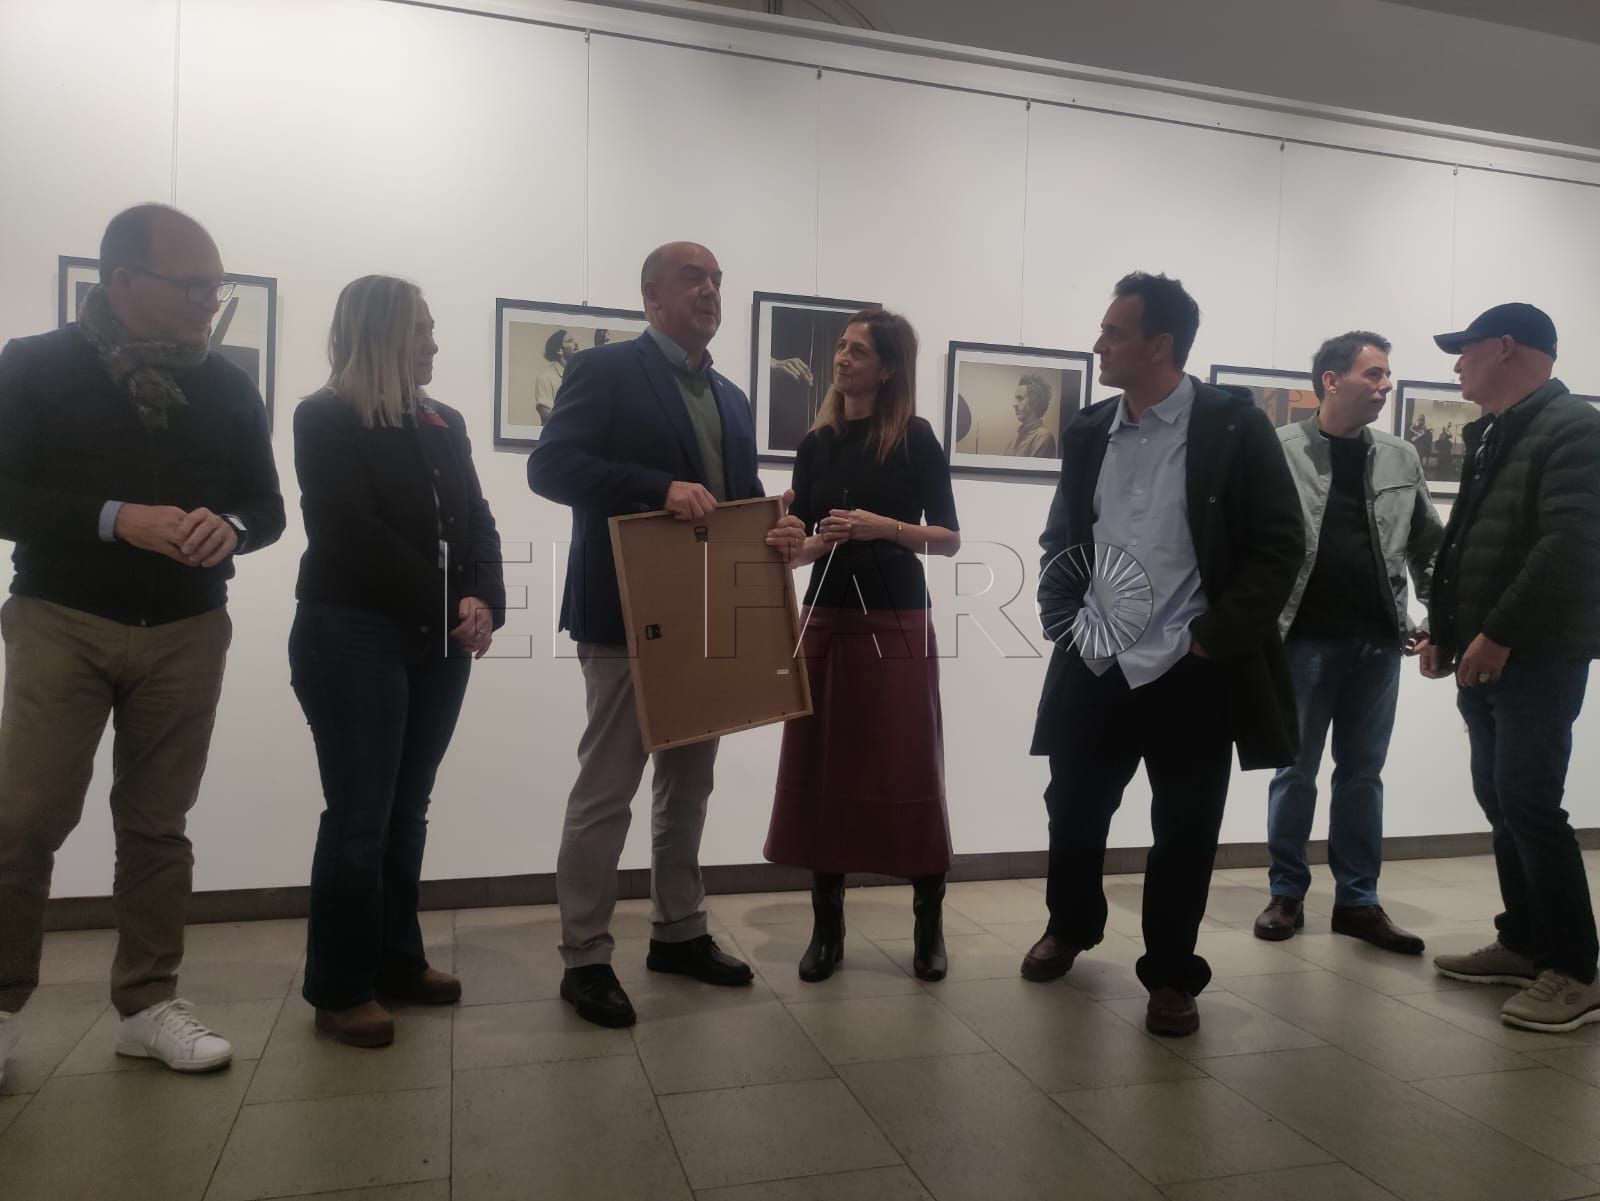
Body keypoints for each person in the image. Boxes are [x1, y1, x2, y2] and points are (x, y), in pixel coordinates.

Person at [0, 204, 283, 1081]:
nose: (207, 303)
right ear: (121, 282)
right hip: (62, 620)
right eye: (191, 286)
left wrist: (231, 528)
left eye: (215, 287)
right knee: (23, 821)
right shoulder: (34, 366)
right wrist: (117, 518)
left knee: (159, 824)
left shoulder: (227, 386)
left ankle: (148, 1003)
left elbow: (266, 508)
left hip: (189, 628)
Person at [527, 241, 805, 1028]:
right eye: (693, 279)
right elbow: (550, 467)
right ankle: (584, 955)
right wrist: (656, 488)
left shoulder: (733, 397)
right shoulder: (604, 370)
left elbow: (736, 502)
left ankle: (678, 932)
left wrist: (777, 529)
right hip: (622, 613)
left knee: (689, 787)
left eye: (717, 280)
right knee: (606, 790)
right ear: (652, 297)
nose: (710, 290)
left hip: (706, 619)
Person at [1023, 272, 1303, 1037]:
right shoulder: (1090, 429)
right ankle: (1070, 925)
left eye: (1114, 332)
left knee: (1185, 827)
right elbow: (1062, 534)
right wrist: (1061, 615)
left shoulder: (1234, 426)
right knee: (1072, 808)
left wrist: (1216, 635)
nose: (1099, 344)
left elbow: (1280, 544)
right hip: (1096, 657)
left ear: (1160, 345)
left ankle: (1173, 973)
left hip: (1190, 665)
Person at [289, 275, 505, 1048]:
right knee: (360, 815)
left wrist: (487, 598)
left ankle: (396, 961)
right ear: (379, 333)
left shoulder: (444, 422)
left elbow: (477, 519)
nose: (433, 343)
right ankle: (340, 987)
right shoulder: (324, 417)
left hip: (434, 639)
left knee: (407, 808)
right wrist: (453, 603)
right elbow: (352, 535)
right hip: (351, 635)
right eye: (419, 328)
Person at [765, 309, 961, 983]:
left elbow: (949, 538)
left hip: (897, 617)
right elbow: (810, 543)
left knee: (908, 764)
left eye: (858, 350)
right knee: (826, 767)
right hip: (826, 615)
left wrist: (884, 527)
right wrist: (789, 542)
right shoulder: (816, 443)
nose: (842, 358)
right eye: (842, 347)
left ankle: (929, 923)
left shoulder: (916, 438)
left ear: (888, 368)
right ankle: (827, 929)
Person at [1421, 303, 1600, 1033]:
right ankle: (1525, 941)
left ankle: (1577, 972)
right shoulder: (1495, 431)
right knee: (1501, 799)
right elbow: (1465, 541)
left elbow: (1570, 545)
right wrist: (1445, 630)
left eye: (1464, 350)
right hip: (1486, 654)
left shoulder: (1574, 428)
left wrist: (1496, 633)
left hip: (1537, 654)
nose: (1456, 364)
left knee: (1530, 803)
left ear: (1504, 347)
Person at [1254, 331, 1442, 952]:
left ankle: (1358, 901)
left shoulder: (1400, 457)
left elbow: (1428, 546)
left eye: (1387, 374)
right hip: (1300, 641)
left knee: (1363, 776)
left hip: (1378, 644)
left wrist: (1438, 618)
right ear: (1332, 381)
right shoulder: (1279, 449)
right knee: (1294, 772)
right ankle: (1286, 893)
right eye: (1375, 373)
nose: (1386, 385)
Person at [1006, 374, 1058, 457]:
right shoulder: (1013, 442)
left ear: (1035, 401)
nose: (1014, 404)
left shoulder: (1043, 437)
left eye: (1020, 398)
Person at [535, 328, 579, 423]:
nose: (576, 343)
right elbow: (546, 415)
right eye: (570, 341)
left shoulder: (580, 376)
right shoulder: (545, 378)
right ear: (559, 350)